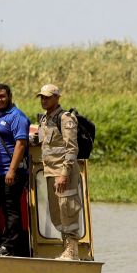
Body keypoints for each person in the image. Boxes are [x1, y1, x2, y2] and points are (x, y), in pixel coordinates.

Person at [32, 84, 83, 260]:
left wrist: (64, 174)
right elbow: (43, 141)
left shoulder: (65, 119)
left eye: (47, 97)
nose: (44, 100)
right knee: (56, 213)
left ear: (57, 98)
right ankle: (66, 247)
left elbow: (71, 149)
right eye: (42, 97)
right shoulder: (45, 119)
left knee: (67, 209)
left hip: (64, 173)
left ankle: (72, 250)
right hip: (49, 172)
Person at [0, 83, 30, 256]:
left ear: (10, 96)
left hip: (11, 171)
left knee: (12, 209)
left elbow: (20, 144)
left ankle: (10, 247)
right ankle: (8, 244)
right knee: (4, 208)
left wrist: (12, 171)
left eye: (2, 96)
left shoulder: (17, 116)